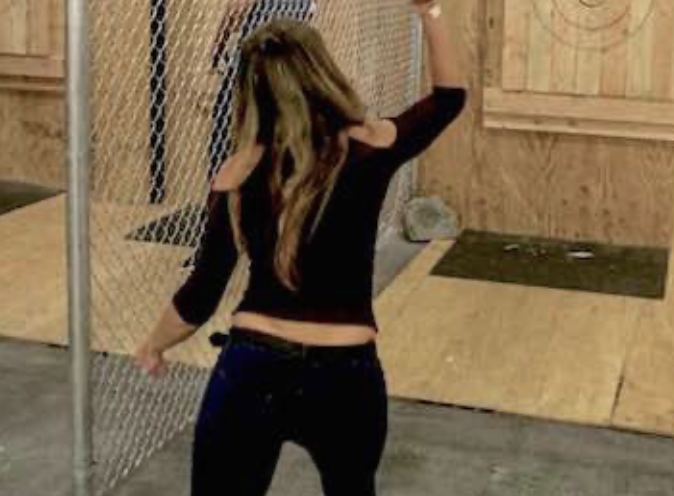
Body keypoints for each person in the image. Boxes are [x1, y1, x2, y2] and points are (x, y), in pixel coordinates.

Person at [135, 1, 466, 494]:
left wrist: (153, 345)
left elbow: (201, 295)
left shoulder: (237, 174)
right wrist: (431, 10)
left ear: (251, 91)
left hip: (254, 365)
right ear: (322, 73)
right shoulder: (370, 146)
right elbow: (449, 99)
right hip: (346, 374)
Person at [209, 0, 318, 182]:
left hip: (254, 63)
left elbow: (236, 10)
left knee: (226, 121)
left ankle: (223, 184)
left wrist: (218, 50)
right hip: (288, 69)